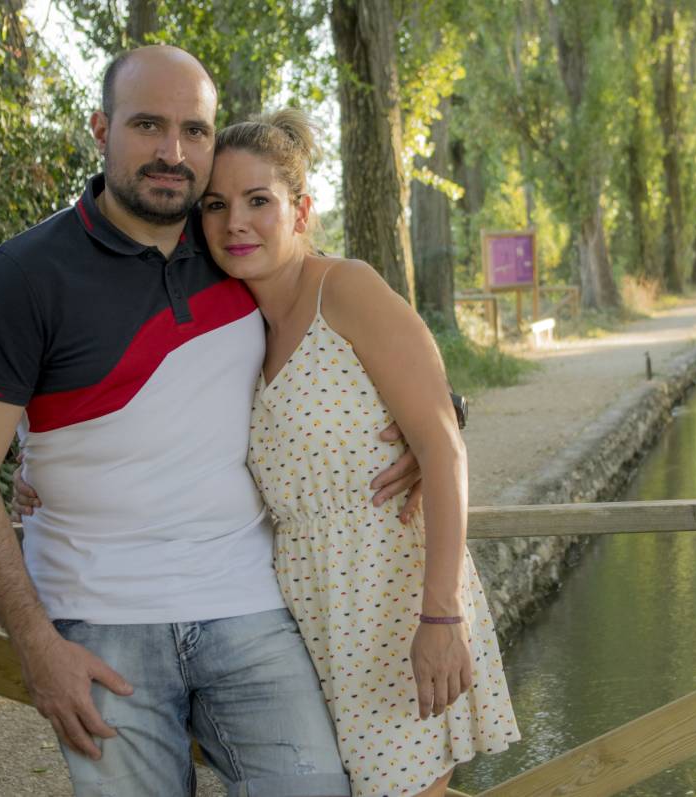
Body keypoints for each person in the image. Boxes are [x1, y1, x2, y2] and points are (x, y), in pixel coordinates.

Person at [0, 45, 423, 797]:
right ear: (100, 127)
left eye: (194, 130)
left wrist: (432, 418)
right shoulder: (26, 274)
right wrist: (35, 643)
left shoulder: (236, 246)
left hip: (248, 605)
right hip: (98, 622)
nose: (173, 152)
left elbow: (354, 345)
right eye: (148, 125)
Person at [205, 110, 520, 797]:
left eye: (259, 200)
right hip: (302, 613)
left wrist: (442, 616)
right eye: (217, 205)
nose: (236, 221)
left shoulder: (345, 289)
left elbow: (441, 445)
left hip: (393, 598)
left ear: (301, 211)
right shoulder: (236, 326)